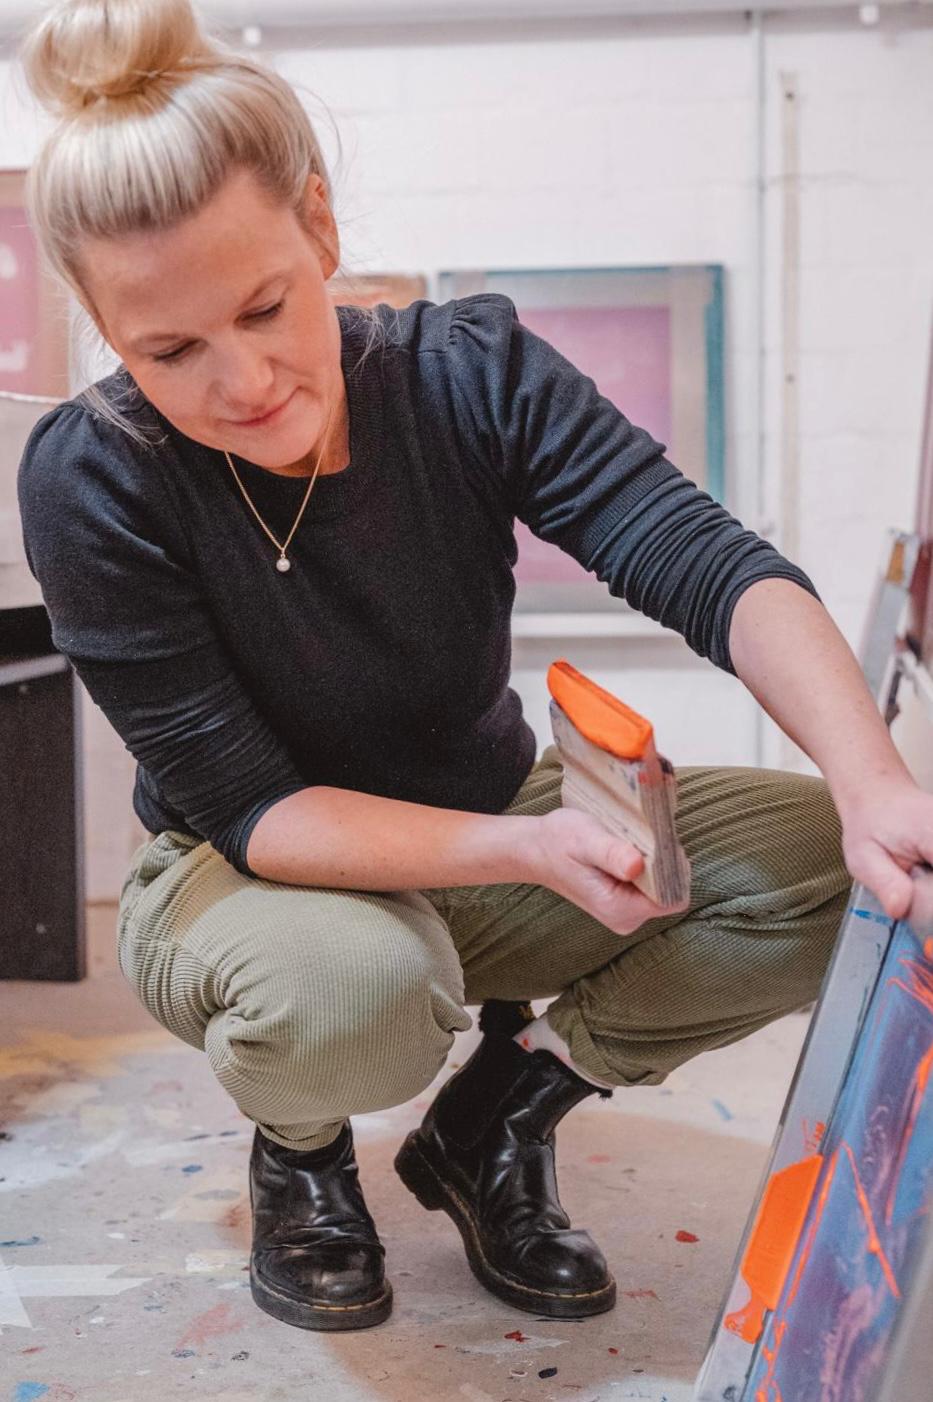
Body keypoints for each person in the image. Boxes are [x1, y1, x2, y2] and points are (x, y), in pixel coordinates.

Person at [15, 0, 933, 1337]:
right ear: (103, 323)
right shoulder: (94, 475)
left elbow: (707, 563)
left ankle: (500, 1111)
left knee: (830, 871)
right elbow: (257, 807)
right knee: (352, 992)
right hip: (244, 872)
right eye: (169, 352)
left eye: (266, 307)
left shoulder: (468, 373)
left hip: (487, 810)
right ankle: (303, 1149)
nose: (244, 379)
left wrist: (874, 783)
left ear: (319, 227)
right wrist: (528, 852)